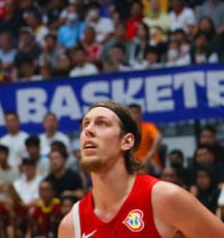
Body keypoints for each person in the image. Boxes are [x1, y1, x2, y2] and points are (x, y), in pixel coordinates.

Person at [58, 100, 224, 237]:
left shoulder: (165, 198)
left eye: (101, 123)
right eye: (85, 125)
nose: (88, 130)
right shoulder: (71, 224)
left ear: (127, 141)